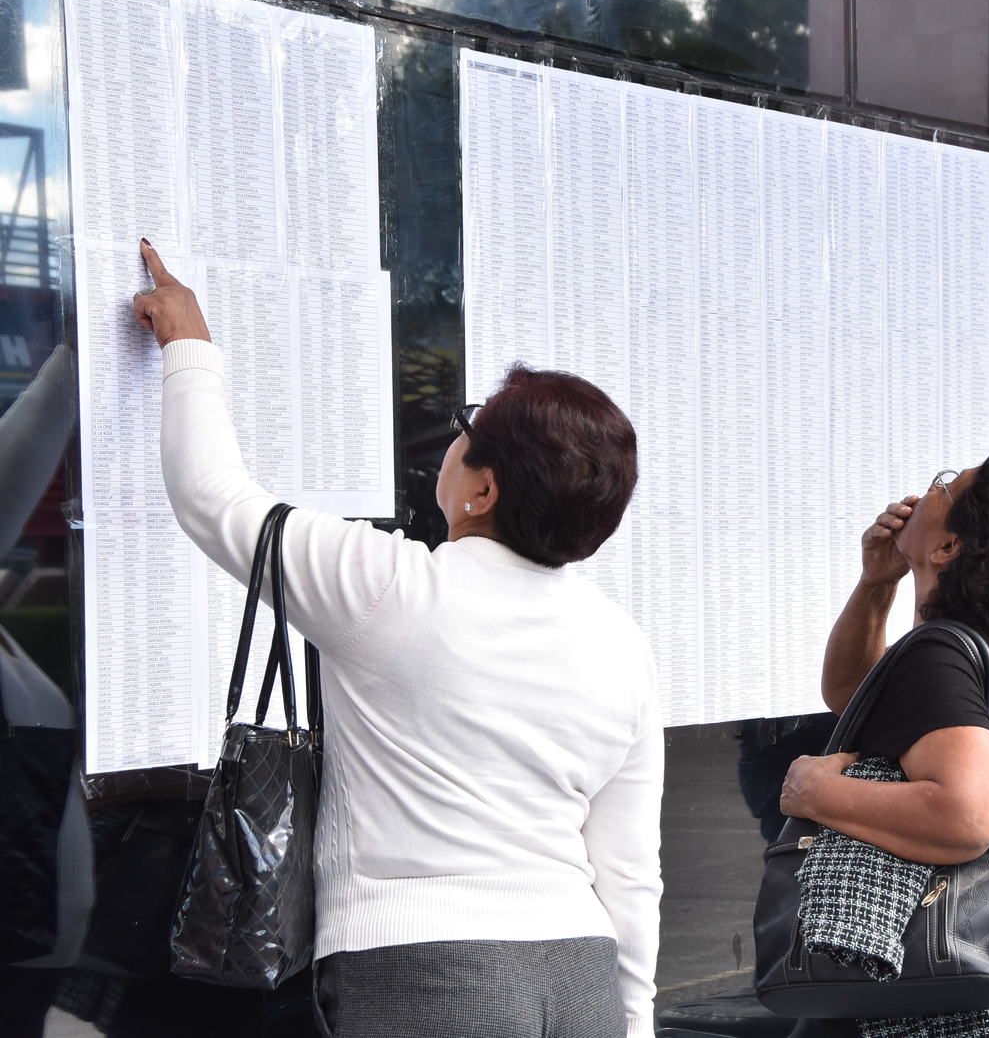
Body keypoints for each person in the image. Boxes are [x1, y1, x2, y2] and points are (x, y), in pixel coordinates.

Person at [131, 241, 663, 1038]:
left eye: (465, 429)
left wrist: (188, 345)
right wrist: (635, 1019)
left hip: (427, 974)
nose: (450, 442)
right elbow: (628, 868)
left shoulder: (391, 585)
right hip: (580, 974)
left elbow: (213, 498)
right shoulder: (623, 645)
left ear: (482, 489)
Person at [779, 447, 989, 1037]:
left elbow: (968, 815)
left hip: (945, 984)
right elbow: (854, 695)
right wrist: (877, 583)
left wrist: (815, 791)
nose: (924, 492)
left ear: (948, 547)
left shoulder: (943, 653)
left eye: (944, 486)